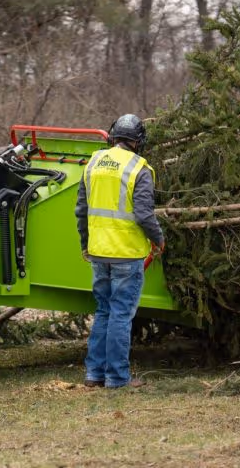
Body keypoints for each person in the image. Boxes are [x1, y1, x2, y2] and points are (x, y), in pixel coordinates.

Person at [74, 114, 165, 389]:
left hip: (99, 251)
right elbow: (144, 214)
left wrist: (85, 243)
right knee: (121, 314)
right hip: (127, 253)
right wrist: (159, 240)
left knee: (103, 311)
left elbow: (81, 209)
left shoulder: (94, 163)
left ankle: (94, 375)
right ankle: (117, 377)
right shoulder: (140, 168)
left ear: (113, 136)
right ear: (139, 141)